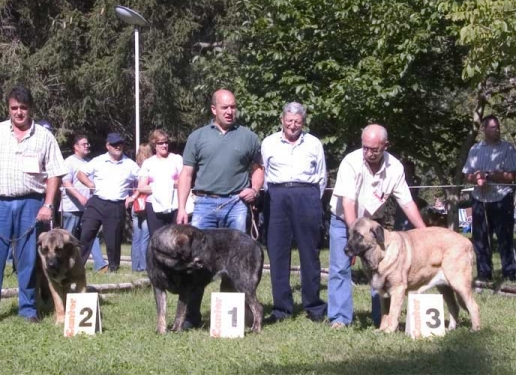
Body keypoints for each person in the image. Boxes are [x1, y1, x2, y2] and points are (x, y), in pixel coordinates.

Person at [0, 85, 67, 324]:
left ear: (30, 108)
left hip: (31, 204)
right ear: (8, 109)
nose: (19, 112)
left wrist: (48, 205)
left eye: (23, 108)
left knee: (28, 260)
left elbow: (55, 173)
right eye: (14, 108)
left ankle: (28, 310)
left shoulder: (44, 137)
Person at [176, 88, 263, 329]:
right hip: (203, 205)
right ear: (213, 109)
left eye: (233, 106)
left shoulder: (248, 137)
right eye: (224, 107)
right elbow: (186, 174)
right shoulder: (198, 136)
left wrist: (254, 189)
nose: (230, 111)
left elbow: (258, 169)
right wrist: (182, 207)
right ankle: (191, 318)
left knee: (236, 265)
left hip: (236, 205)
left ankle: (230, 319)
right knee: (196, 264)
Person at [328, 124, 426, 329]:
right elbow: (348, 203)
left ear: (385, 146)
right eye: (365, 147)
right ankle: (339, 319)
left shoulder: (395, 167)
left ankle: (382, 319)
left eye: (374, 149)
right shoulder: (350, 162)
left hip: (373, 225)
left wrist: (425, 234)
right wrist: (354, 239)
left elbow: (406, 203)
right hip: (345, 221)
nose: (369, 153)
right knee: (340, 268)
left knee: (380, 269)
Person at [261, 102, 328, 323]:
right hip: (277, 196)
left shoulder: (314, 143)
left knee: (310, 253)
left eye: (297, 122)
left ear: (303, 122)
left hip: (307, 195)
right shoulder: (268, 142)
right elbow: (264, 174)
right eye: (289, 121)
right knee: (278, 253)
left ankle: (314, 307)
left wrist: (309, 199)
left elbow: (321, 176)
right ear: (282, 120)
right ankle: (282, 309)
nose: (292, 125)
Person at [462, 115, 516, 281]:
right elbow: (467, 175)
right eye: (492, 127)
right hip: (479, 200)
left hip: (502, 199)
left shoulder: (508, 148)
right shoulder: (475, 150)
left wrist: (489, 175)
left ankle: (510, 273)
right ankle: (484, 274)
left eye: (497, 127)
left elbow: (512, 175)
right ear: (483, 129)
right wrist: (476, 178)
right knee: (480, 239)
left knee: (505, 238)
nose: (497, 130)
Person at [77, 132, 139, 272]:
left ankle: (113, 268)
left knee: (113, 239)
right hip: (96, 202)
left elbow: (143, 179)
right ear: (107, 146)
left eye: (120, 144)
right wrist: (89, 184)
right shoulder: (98, 161)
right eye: (114, 144)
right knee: (86, 234)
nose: (118, 147)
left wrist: (133, 196)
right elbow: (80, 173)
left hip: (116, 205)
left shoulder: (130, 164)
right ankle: (78, 266)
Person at [60, 134, 108, 273]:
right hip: (72, 207)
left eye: (88, 144)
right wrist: (80, 197)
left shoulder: (89, 162)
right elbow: (66, 183)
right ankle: (63, 264)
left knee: (90, 235)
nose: (87, 146)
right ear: (75, 147)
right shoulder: (69, 162)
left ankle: (100, 265)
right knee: (68, 237)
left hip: (88, 207)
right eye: (84, 144)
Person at [137, 130, 183, 235]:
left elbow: (182, 182)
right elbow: (141, 187)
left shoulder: (177, 159)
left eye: (166, 142)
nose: (164, 145)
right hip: (153, 206)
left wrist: (156, 185)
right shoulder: (148, 163)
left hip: (174, 205)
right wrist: (167, 184)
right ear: (154, 145)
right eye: (160, 143)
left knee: (174, 239)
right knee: (156, 239)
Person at [130, 143, 153, 271]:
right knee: (145, 237)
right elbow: (142, 186)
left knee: (136, 237)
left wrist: (132, 197)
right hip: (144, 204)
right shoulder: (150, 168)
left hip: (135, 206)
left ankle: (135, 266)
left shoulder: (135, 167)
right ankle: (144, 266)